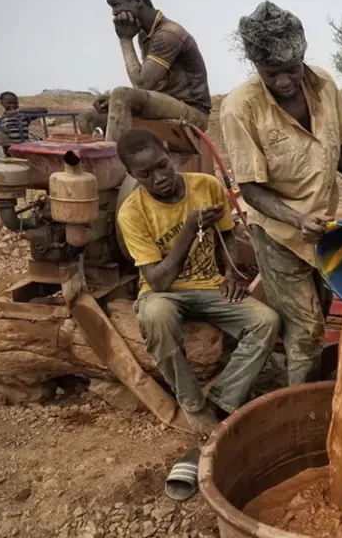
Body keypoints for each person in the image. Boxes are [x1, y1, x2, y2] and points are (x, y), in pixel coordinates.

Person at [221, 1, 342, 386]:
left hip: (324, 229)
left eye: (291, 70)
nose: (284, 81)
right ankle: (301, 411)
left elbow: (338, 148)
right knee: (306, 330)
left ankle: (307, 383)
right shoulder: (240, 108)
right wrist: (296, 219)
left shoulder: (324, 86)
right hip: (280, 235)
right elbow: (250, 189)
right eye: (272, 74)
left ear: (302, 56)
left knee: (320, 309)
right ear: (256, 67)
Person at [116, 128, 280, 438]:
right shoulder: (132, 213)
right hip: (164, 293)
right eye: (145, 174)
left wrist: (231, 274)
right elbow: (158, 281)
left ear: (168, 153)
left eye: (162, 165)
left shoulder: (206, 186)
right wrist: (189, 228)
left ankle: (222, 401)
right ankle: (193, 405)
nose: (159, 177)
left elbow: (228, 234)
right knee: (154, 316)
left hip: (210, 285)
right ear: (131, 175)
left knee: (266, 321)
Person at [102, 0, 211, 142]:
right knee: (91, 117)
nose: (114, 13)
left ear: (137, 0)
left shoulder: (167, 34)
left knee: (121, 95)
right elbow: (149, 87)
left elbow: (141, 83)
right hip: (168, 103)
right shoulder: (145, 34)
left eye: (116, 5)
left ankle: (114, 165)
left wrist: (124, 40)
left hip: (192, 112)